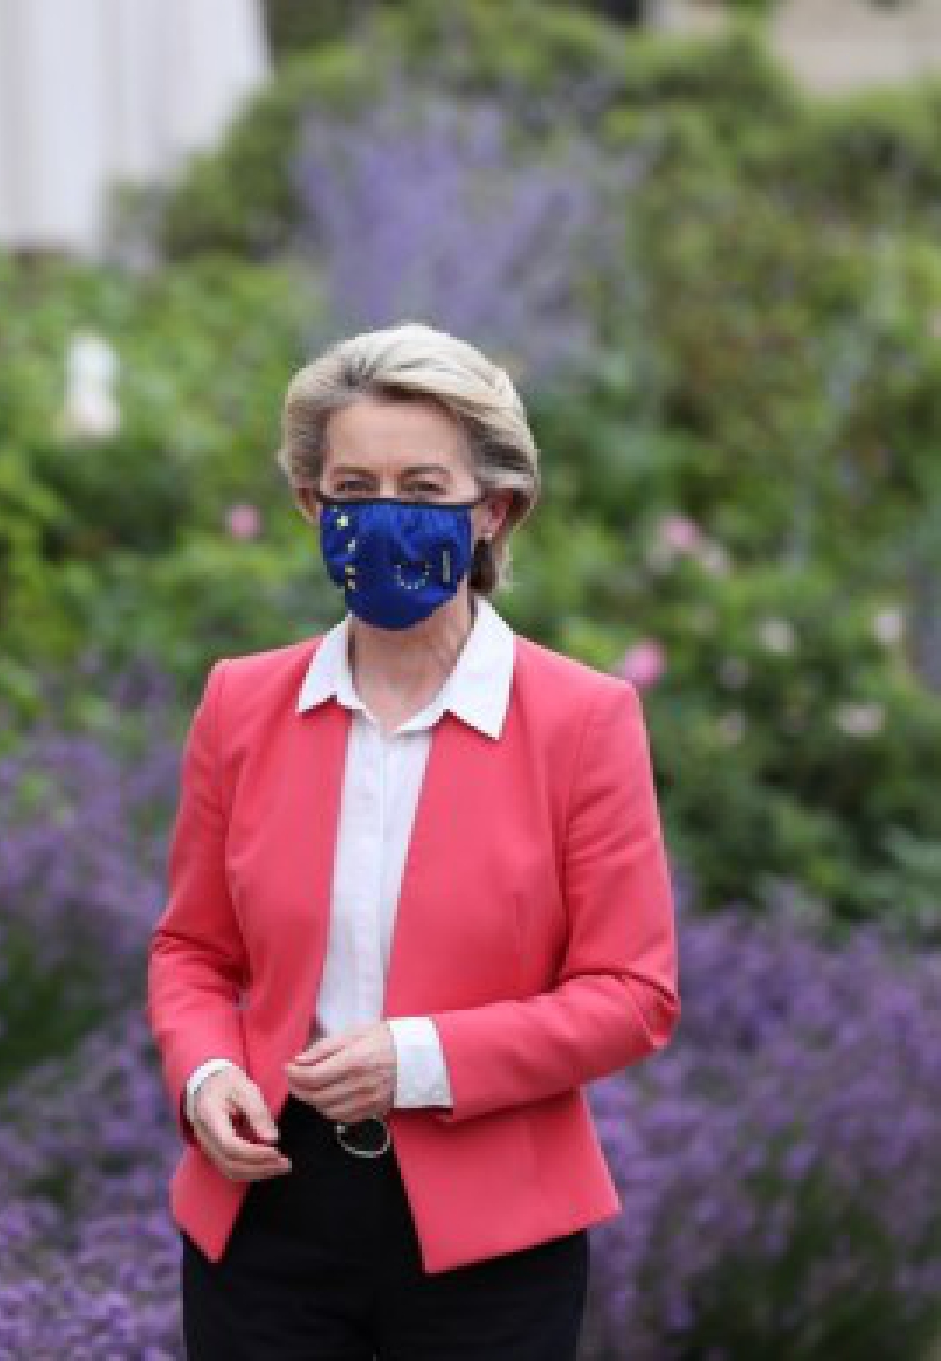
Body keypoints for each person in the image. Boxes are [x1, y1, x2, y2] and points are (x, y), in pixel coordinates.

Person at [147, 323, 679, 1359]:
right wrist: (205, 1074)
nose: (381, 512)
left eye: (420, 483)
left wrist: (418, 1056)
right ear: (310, 501)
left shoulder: (580, 718)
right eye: (351, 483)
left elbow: (631, 992)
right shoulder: (240, 702)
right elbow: (191, 952)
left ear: (492, 506)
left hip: (490, 1246)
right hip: (264, 1218)